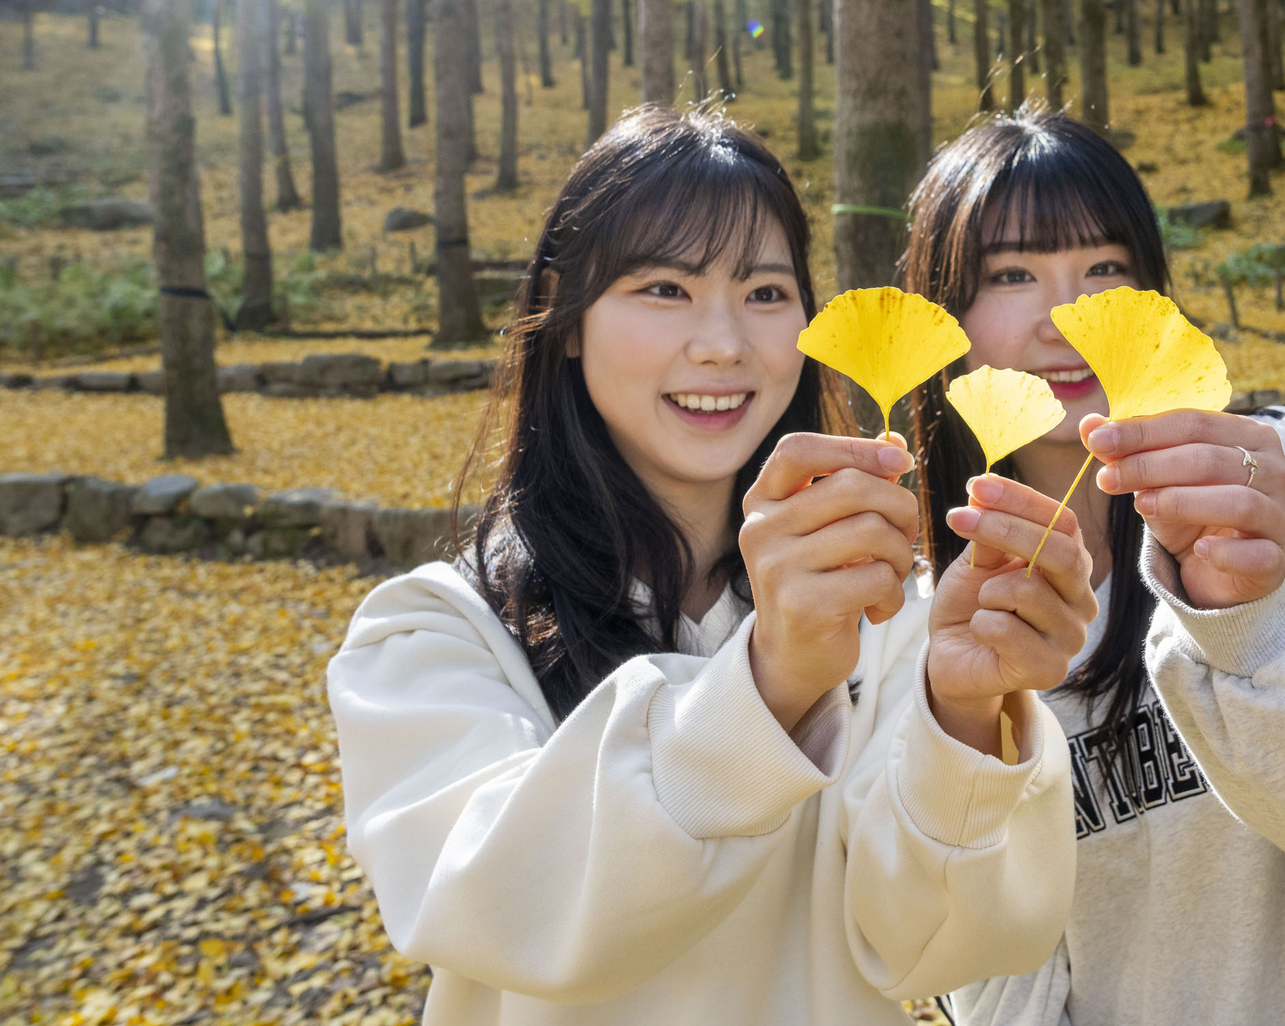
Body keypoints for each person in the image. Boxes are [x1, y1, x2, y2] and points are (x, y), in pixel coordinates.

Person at [328, 107, 1097, 1023]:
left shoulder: (885, 614)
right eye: (664, 288)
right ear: (566, 322)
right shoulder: (435, 634)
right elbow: (499, 902)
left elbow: (933, 945)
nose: (724, 342)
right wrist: (770, 682)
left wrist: (964, 715)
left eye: (766, 292)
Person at [902, 110, 1285, 1026]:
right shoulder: (942, 614)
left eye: (1105, 269)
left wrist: (1259, 616)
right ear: (947, 316)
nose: (1068, 317)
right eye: (1013, 274)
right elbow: (982, 963)